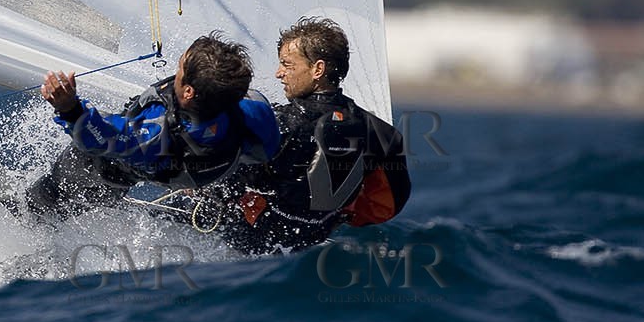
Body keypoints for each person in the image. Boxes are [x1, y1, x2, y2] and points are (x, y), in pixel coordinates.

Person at [25, 33, 281, 227]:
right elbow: (265, 151)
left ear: (189, 92)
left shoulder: (155, 133)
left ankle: (34, 213)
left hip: (122, 169)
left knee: (81, 168)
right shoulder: (253, 107)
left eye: (180, 67)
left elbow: (102, 138)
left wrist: (69, 108)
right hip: (203, 168)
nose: (176, 69)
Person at [221, 17, 412, 253]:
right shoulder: (383, 134)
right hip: (318, 246)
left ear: (317, 69)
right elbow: (389, 205)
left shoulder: (278, 124)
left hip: (254, 246)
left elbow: (227, 177)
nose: (278, 73)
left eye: (287, 64)